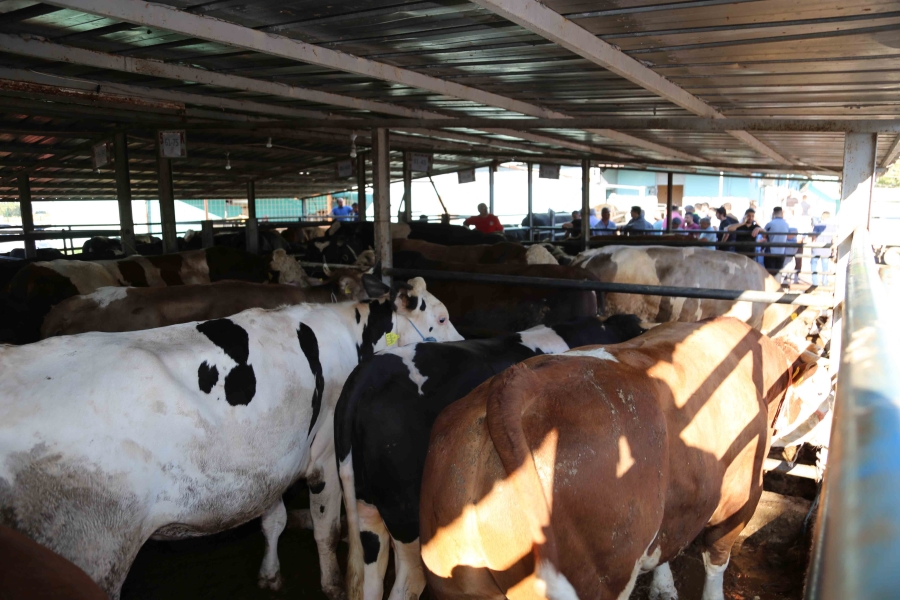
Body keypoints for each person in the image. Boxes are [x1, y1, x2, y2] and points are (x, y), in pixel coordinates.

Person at [810, 211, 836, 286]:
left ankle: (815, 282)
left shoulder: (817, 226)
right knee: (825, 266)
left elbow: (814, 237)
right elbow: (834, 239)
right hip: (826, 249)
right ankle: (825, 282)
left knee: (813, 264)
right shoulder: (832, 227)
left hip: (817, 248)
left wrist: (812, 246)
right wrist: (834, 249)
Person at [762, 206, 791, 272]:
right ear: (782, 213)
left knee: (769, 273)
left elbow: (764, 235)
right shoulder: (786, 224)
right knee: (778, 272)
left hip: (770, 252)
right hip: (781, 252)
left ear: (773, 213)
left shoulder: (770, 224)